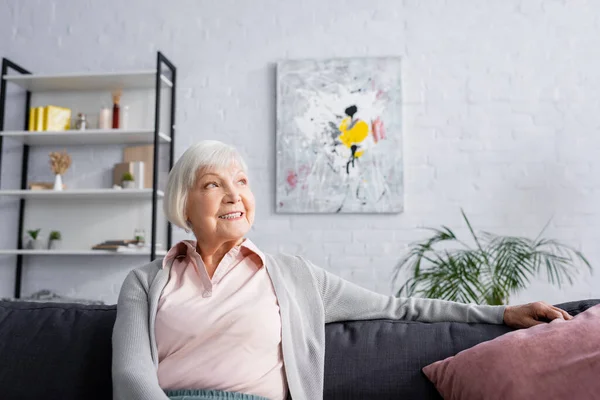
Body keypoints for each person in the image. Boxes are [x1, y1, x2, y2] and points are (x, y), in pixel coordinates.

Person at [112, 140, 573, 400]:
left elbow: (400, 307)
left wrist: (500, 314)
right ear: (184, 206)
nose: (234, 194)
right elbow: (132, 375)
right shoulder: (147, 281)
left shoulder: (293, 276)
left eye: (242, 182)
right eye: (214, 185)